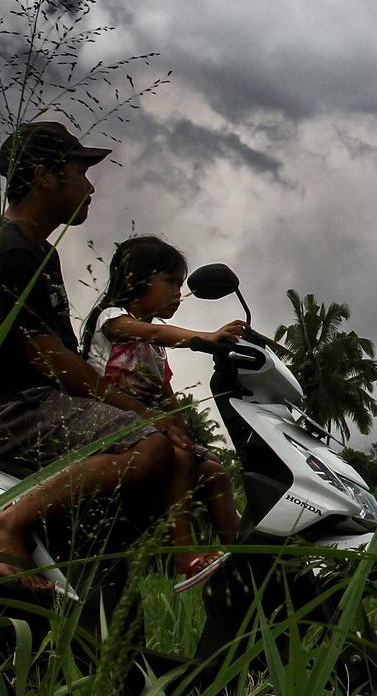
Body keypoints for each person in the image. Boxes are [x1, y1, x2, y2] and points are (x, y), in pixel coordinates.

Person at [0, 121, 193, 591]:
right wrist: (141, 412)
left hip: (43, 406)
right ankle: (3, 527)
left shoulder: (37, 251)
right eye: (80, 171)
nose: (90, 185)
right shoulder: (10, 250)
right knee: (152, 444)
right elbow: (51, 359)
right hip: (15, 410)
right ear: (45, 176)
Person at [80, 235, 244, 582]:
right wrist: (204, 338)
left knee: (213, 469)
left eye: (180, 285)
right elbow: (148, 332)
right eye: (170, 282)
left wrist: (181, 429)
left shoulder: (155, 349)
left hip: (145, 426)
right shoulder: (114, 319)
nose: (177, 293)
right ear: (134, 279)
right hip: (104, 419)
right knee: (181, 457)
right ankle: (182, 556)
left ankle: (242, 557)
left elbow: (165, 392)